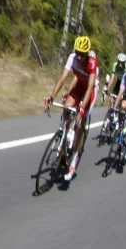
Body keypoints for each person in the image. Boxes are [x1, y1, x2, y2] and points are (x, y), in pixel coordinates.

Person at [44, 35, 97, 182]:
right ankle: (65, 131)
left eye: (82, 54)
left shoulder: (92, 63)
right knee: (67, 106)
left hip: (90, 91)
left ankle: (73, 161)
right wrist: (51, 97)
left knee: (80, 123)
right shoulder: (72, 58)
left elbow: (90, 87)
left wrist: (82, 108)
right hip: (80, 86)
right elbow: (63, 78)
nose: (79, 57)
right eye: (77, 53)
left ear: (87, 54)